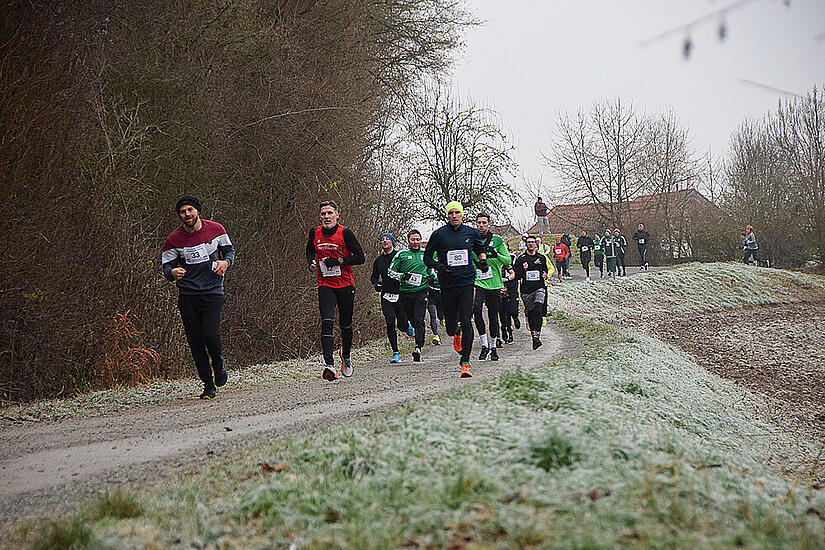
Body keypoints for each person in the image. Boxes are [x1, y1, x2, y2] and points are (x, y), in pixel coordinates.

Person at [162, 196, 235, 400]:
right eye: (183, 212)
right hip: (188, 295)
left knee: (210, 334)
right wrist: (172, 273)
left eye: (190, 210)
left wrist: (226, 263)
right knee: (195, 341)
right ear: (179, 216)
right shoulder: (174, 239)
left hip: (212, 291)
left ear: (198, 211)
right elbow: (166, 265)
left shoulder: (216, 229)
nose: (187, 214)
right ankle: (208, 384)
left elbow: (229, 250)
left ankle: (218, 363)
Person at [424, 201, 487, 378]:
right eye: (450, 213)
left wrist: (482, 261)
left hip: (467, 282)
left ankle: (465, 363)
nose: (454, 216)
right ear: (447, 215)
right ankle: (456, 331)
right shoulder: (439, 235)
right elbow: (427, 257)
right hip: (447, 284)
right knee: (451, 327)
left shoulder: (471, 232)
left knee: (467, 320)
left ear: (462, 214)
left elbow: (480, 250)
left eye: (456, 213)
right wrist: (438, 266)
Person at [306, 201, 365, 381]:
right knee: (327, 322)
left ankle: (345, 356)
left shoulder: (345, 233)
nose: (326, 217)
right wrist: (311, 262)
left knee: (346, 324)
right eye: (323, 214)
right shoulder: (314, 233)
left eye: (330, 213)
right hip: (325, 284)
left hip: (346, 284)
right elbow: (309, 249)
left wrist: (339, 261)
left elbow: (360, 257)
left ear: (337, 215)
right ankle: (329, 364)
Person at [472, 213, 512, 361]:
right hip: (478, 282)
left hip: (494, 283)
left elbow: (507, 259)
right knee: (476, 310)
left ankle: (494, 346)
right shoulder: (472, 239)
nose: (481, 225)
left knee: (493, 316)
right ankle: (484, 344)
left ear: (489, 224)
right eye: (478, 223)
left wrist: (496, 254)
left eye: (483, 223)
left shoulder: (497, 240)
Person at [370, 233, 412, 364]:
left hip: (400, 294)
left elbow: (408, 272)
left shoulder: (399, 256)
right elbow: (374, 276)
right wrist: (376, 284)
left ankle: (407, 325)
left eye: (387, 239)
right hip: (386, 295)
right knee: (389, 322)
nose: (384, 241)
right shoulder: (378, 261)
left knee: (402, 325)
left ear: (392, 242)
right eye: (382, 240)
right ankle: (396, 352)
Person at [389, 230, 430, 362]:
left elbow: (432, 268)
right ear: (408, 241)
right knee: (411, 319)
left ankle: (418, 347)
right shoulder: (402, 254)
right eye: (413, 239)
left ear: (420, 240)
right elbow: (390, 271)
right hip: (406, 292)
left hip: (421, 290)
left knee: (419, 319)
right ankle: (414, 334)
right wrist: (402, 276)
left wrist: (432, 276)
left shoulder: (425, 253)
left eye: (418, 239)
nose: (415, 242)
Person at [513, 235, 549, 349]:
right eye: (528, 242)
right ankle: (534, 336)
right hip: (526, 290)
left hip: (539, 287)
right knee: (532, 313)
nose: (530, 244)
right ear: (525, 244)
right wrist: (523, 269)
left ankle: (537, 335)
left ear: (536, 244)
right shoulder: (521, 259)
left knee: (539, 309)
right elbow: (516, 276)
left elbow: (545, 270)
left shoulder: (541, 257)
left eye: (532, 242)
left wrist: (545, 274)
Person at [499, 253, 521, 345]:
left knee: (512, 310)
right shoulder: (494, 264)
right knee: (503, 315)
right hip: (499, 291)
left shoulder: (510, 264)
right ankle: (505, 331)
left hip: (511, 289)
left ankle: (515, 317)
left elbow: (514, 274)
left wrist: (507, 279)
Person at [427, 264, 442, 345]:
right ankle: (435, 335)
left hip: (441, 293)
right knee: (432, 315)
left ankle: (442, 318)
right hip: (431, 293)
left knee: (440, 315)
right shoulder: (429, 265)